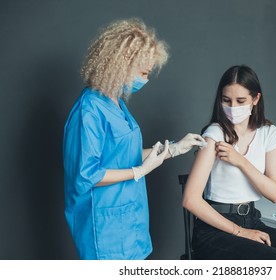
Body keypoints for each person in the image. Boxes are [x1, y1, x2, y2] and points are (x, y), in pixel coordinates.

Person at [63, 18, 205, 260]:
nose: (145, 79)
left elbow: (121, 156)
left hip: (130, 222)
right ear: (120, 65)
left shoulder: (116, 103)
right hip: (104, 227)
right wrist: (139, 171)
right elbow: (87, 175)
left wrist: (172, 149)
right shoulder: (89, 110)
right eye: (142, 72)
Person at [182, 65, 276, 260]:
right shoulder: (215, 134)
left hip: (252, 219)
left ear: (255, 99)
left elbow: (274, 193)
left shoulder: (268, 133)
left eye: (240, 100)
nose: (233, 108)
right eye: (226, 100)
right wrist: (240, 232)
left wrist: (241, 162)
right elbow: (190, 200)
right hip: (214, 229)